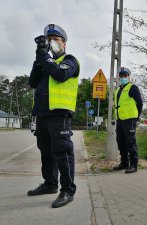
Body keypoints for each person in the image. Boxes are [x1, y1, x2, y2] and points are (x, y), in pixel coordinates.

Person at [28, 24, 80, 208]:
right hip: (42, 115)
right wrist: (38, 58)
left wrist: (44, 57)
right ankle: (50, 184)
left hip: (60, 114)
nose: (52, 42)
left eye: (56, 39)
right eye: (49, 39)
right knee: (46, 152)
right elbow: (32, 82)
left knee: (62, 152)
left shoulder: (70, 60)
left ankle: (67, 190)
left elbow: (60, 74)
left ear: (64, 43)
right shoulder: (45, 63)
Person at [113, 67, 143, 173]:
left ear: (128, 76)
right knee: (120, 142)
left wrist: (137, 116)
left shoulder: (133, 88)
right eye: (121, 76)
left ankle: (134, 164)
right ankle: (124, 163)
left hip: (130, 120)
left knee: (130, 142)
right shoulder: (118, 90)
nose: (122, 77)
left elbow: (140, 103)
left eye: (125, 75)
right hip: (120, 120)